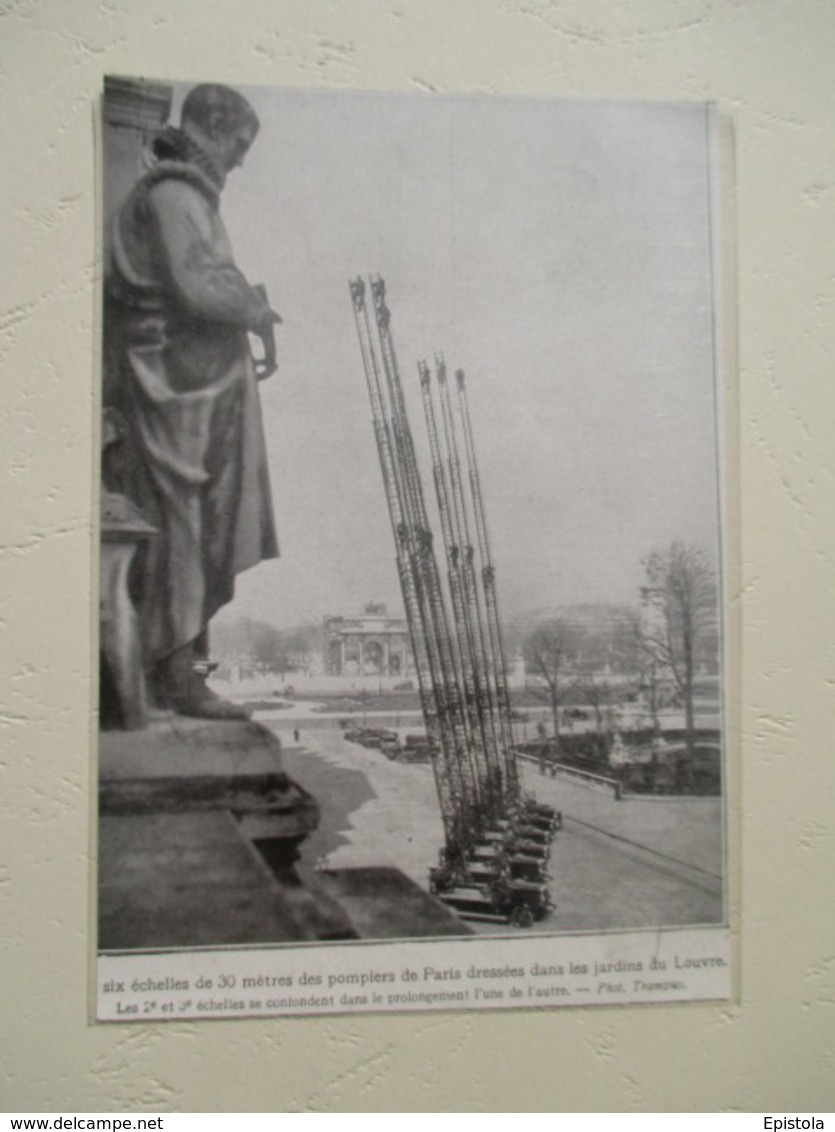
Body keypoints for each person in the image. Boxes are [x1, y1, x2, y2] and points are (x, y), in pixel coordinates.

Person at [103, 84, 280, 720]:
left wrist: (246, 305)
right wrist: (254, 308)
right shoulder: (175, 195)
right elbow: (197, 284)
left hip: (186, 390)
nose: (238, 160)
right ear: (207, 127)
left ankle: (171, 666)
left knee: (190, 523)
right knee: (181, 524)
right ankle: (173, 673)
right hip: (170, 392)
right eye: (236, 145)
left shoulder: (185, 197)